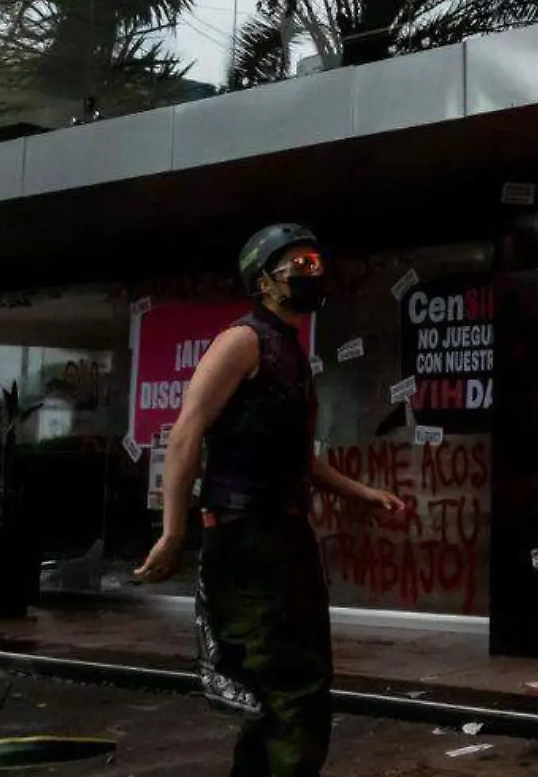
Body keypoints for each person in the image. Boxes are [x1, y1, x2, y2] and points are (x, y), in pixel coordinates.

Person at [135, 224, 404, 777]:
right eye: (299, 266)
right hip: (247, 536)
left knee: (290, 684)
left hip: (285, 534)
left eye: (316, 262)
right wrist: (174, 531)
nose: (314, 273)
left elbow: (297, 459)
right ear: (264, 282)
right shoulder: (243, 341)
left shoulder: (290, 351)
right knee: (291, 685)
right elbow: (187, 430)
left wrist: (363, 494)